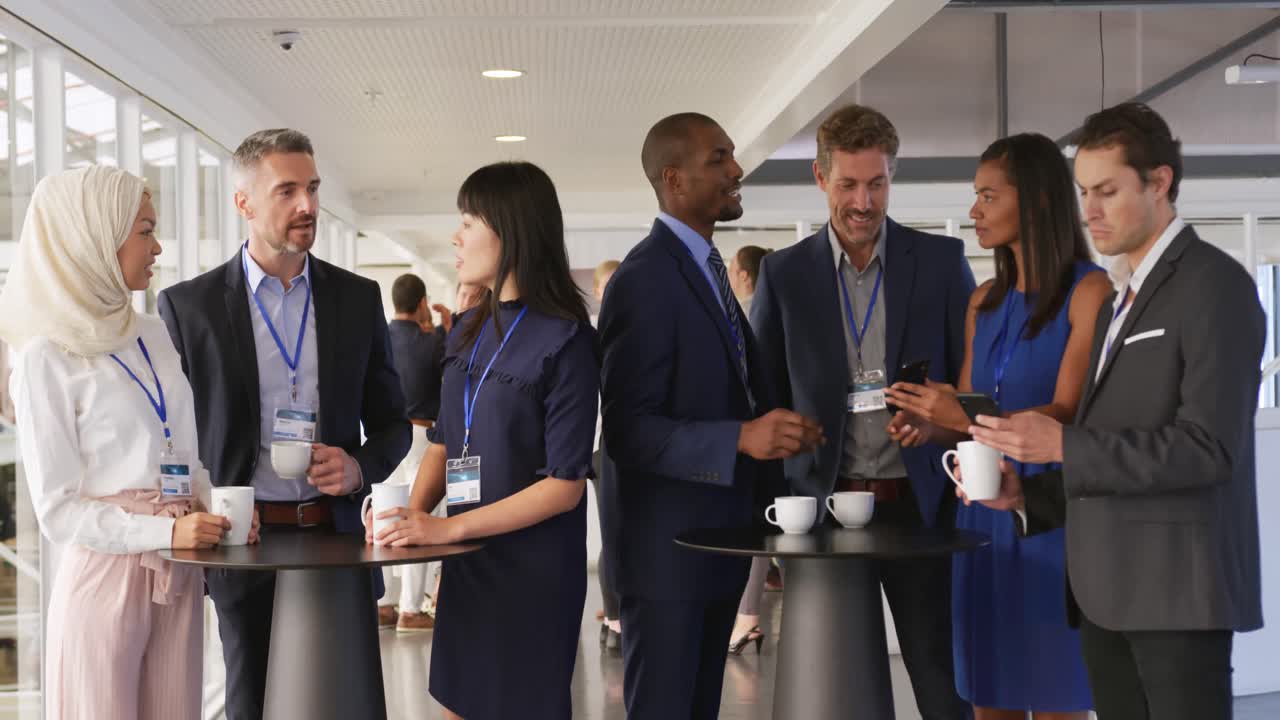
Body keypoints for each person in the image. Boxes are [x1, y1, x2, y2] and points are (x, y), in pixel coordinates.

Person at [965, 103, 1264, 720]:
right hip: (1104, 593)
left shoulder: (1214, 285)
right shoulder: (1118, 298)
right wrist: (1029, 498)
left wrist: (1061, 447)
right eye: (1083, 192)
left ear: (1160, 182)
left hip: (1177, 593)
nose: (1090, 211)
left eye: (1107, 191)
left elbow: (1209, 448)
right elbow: (1115, 438)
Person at [158, 128, 410, 719]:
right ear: (244, 203)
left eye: (313, 189)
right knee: (250, 703)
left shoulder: (355, 299)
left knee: (345, 700)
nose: (308, 206)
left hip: (337, 536)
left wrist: (357, 468)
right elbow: (170, 434)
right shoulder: (188, 307)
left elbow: (394, 424)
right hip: (243, 543)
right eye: (288, 190)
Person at [0, 165, 256, 719]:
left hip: (179, 565)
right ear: (95, 235)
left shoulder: (151, 333)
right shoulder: (45, 356)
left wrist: (216, 503)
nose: (158, 245)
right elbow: (59, 512)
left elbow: (182, 453)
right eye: (144, 229)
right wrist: (168, 529)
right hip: (108, 575)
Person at [750, 103, 974, 720]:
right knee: (831, 684)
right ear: (821, 179)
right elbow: (763, 394)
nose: (864, 202)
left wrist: (942, 417)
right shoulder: (783, 274)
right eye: (848, 184)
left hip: (920, 506)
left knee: (941, 676)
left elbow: (968, 383)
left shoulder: (939, 263)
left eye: (877, 183)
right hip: (822, 511)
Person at [598, 112, 822, 719]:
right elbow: (626, 431)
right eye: (718, 159)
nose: (736, 170)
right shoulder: (645, 279)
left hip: (717, 542)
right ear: (674, 180)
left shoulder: (706, 270)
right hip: (668, 553)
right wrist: (741, 438)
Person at [884, 133, 1110, 720]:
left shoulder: (1091, 291)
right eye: (975, 196)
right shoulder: (983, 300)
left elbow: (1068, 413)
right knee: (990, 699)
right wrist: (929, 424)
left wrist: (963, 415)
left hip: (1050, 517)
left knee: (1061, 696)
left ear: (1034, 201)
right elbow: (966, 414)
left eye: (988, 196)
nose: (974, 211)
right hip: (980, 515)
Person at [368, 161, 597, 720]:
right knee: (456, 704)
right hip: (468, 562)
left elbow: (564, 486)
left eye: (469, 220)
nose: (456, 235)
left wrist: (447, 527)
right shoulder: (469, 328)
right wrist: (405, 518)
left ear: (511, 227)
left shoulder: (569, 339)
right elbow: (446, 442)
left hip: (533, 570)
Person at [378, 273, 447, 632]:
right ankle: (411, 609)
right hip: (423, 438)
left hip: (384, 439)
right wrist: (443, 326)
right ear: (421, 303)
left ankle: (384, 604)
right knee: (419, 519)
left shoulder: (380, 339)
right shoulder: (433, 340)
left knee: (388, 519)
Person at [725, 243, 775, 655]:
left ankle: (747, 618)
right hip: (775, 438)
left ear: (744, 274)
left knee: (759, 528)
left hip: (756, 438)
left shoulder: (747, 314)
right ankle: (747, 619)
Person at [590, 259, 624, 651]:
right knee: (613, 535)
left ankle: (620, 611)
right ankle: (614, 619)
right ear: (598, 291)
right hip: (603, 450)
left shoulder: (634, 328)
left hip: (633, 449)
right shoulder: (593, 334)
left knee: (629, 533)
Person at [727, 245, 772, 317]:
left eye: (730, 269)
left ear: (743, 276)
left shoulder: (740, 315)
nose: (727, 274)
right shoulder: (771, 307)